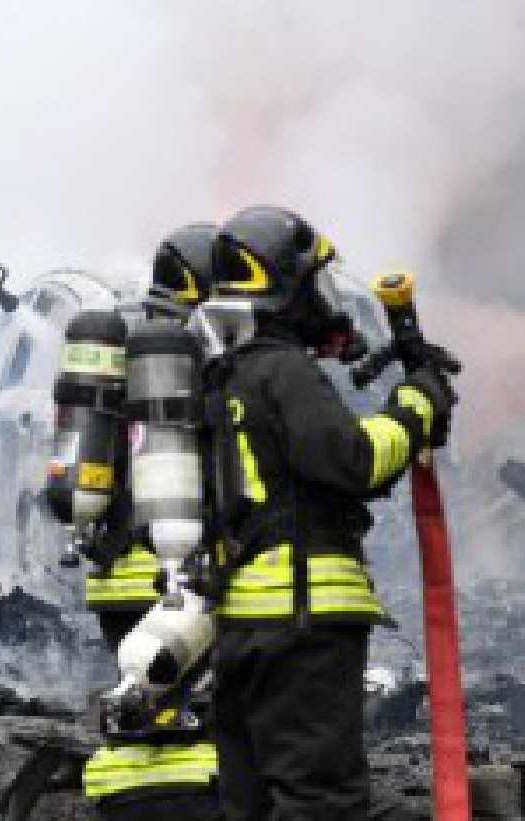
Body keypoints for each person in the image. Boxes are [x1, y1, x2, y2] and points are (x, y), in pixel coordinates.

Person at [201, 206, 456, 819]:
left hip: (241, 626)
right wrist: (418, 405)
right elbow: (354, 460)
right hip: (304, 618)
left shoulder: (223, 376)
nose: (323, 298)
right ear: (286, 290)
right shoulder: (283, 371)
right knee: (321, 804)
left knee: (253, 804)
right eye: (314, 284)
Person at [80, 221, 223, 817]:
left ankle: (119, 796)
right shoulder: (190, 364)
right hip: (173, 575)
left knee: (137, 708)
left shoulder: (114, 363)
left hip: (112, 578)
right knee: (188, 717)